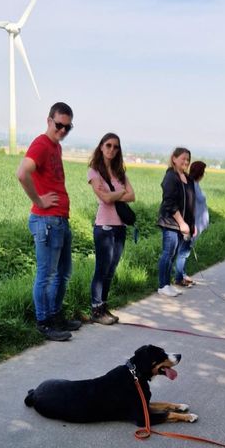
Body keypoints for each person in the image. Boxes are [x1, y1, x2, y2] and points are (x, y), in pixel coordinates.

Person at [17, 102, 81, 341]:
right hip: (46, 221)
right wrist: (39, 200)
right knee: (46, 275)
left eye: (68, 127)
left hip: (59, 221)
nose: (62, 130)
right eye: (59, 125)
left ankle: (56, 316)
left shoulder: (56, 147)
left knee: (63, 273)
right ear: (49, 120)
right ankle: (43, 322)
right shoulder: (41, 145)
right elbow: (22, 173)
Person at [88, 132, 135, 325]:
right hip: (104, 227)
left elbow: (132, 196)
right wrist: (121, 192)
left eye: (116, 147)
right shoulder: (94, 172)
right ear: (101, 147)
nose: (112, 149)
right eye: (108, 145)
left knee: (111, 269)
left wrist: (115, 193)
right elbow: (105, 199)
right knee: (102, 269)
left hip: (120, 227)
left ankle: (103, 306)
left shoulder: (120, 172)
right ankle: (96, 309)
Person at [156, 147, 193, 297]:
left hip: (182, 224)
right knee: (168, 253)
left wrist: (191, 225)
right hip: (170, 222)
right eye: (183, 158)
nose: (186, 162)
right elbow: (170, 203)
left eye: (188, 159)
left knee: (173, 254)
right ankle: (162, 285)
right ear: (174, 159)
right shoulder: (171, 177)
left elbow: (190, 204)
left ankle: (168, 284)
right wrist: (182, 223)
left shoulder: (187, 178)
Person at [174, 160, 209, 287]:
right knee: (184, 252)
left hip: (195, 224)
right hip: (192, 225)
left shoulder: (194, 184)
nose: (204, 174)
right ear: (200, 173)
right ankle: (179, 278)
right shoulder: (192, 185)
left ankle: (182, 274)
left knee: (184, 251)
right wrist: (192, 225)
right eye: (203, 172)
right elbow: (191, 207)